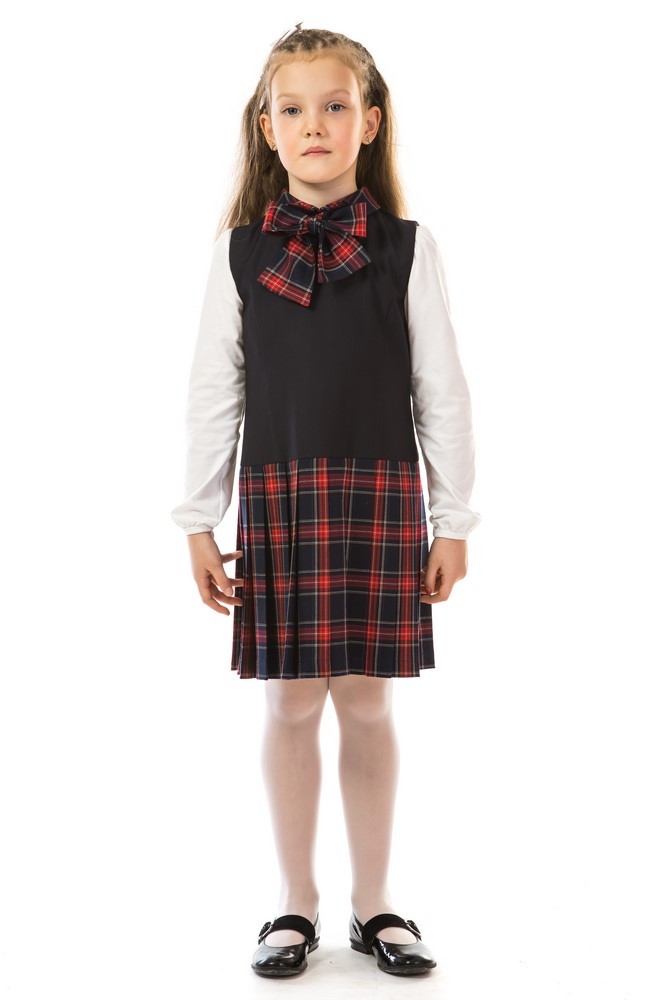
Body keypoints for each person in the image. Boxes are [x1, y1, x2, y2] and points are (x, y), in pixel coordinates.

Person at [170, 24, 481, 979]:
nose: (314, 125)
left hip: (380, 498)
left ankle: (374, 903)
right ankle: (293, 904)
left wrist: (453, 521)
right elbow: (213, 393)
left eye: (334, 106)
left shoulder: (406, 249)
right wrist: (198, 521)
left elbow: (442, 391)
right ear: (267, 128)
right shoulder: (236, 256)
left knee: (368, 705)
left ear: (368, 123)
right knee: (292, 703)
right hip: (280, 501)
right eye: (294, 109)